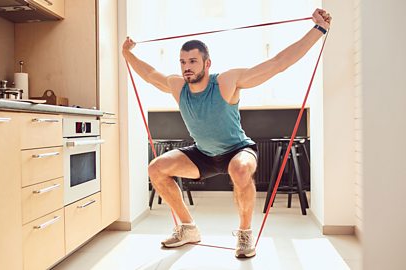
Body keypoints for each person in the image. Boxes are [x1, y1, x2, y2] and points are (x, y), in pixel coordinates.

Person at [122, 8, 332, 258]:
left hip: (238, 150)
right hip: (203, 153)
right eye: (182, 62)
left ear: (207, 63)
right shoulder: (177, 86)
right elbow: (149, 75)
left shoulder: (226, 82)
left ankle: (245, 234)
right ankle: (188, 228)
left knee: (240, 169)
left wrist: (318, 30)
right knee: (156, 168)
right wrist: (126, 53)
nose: (186, 67)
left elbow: (277, 64)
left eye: (192, 61)